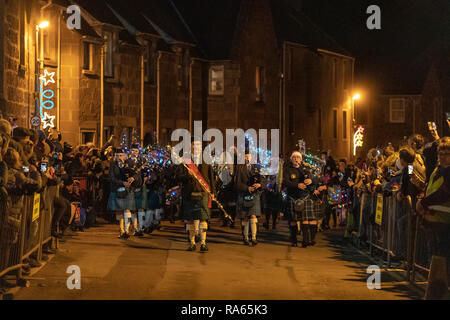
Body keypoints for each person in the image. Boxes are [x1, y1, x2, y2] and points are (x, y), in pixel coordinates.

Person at [416, 137, 450, 280]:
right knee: (435, 255)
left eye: (446, 153)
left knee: (443, 256)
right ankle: (436, 285)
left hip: (444, 221)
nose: (442, 157)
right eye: (440, 153)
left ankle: (442, 285)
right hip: (431, 219)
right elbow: (429, 187)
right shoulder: (437, 170)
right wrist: (422, 200)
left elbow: (443, 193)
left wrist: (423, 203)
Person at [177, 138, 216, 252]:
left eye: (199, 145)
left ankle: (203, 243)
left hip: (203, 192)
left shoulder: (206, 160)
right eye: (194, 145)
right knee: (190, 220)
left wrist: (213, 192)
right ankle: (192, 243)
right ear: (190, 146)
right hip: (189, 193)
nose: (196, 147)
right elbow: (178, 177)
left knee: (203, 219)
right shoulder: (185, 161)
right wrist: (188, 175)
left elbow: (211, 178)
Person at [234, 151, 265, 246]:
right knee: (245, 218)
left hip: (255, 195)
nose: (247, 158)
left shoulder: (258, 168)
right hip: (243, 194)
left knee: (253, 216)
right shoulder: (239, 168)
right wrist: (247, 188)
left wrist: (260, 185)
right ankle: (246, 237)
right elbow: (236, 184)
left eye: (249, 156)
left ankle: (254, 237)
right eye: (246, 156)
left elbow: (264, 180)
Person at [107, 149, 136, 239]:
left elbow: (136, 173)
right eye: (117, 155)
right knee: (119, 211)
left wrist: (133, 178)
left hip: (127, 190)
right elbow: (111, 178)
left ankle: (126, 231)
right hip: (117, 189)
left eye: (121, 155)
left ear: (125, 155)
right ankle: (122, 231)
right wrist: (122, 183)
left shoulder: (129, 163)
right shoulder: (113, 164)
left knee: (127, 209)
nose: (119, 157)